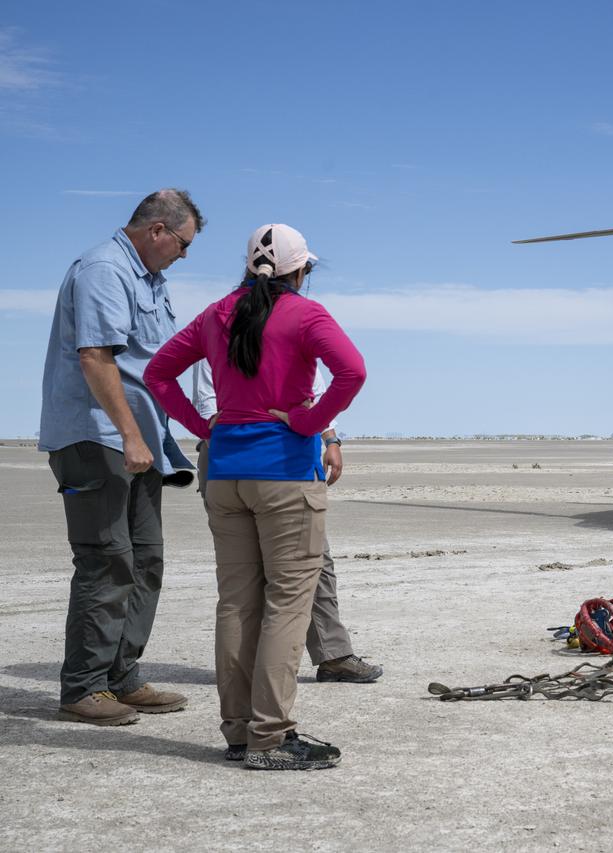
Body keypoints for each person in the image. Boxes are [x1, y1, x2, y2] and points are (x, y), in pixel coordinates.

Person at [145, 223, 366, 771]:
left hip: (225, 474)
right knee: (287, 606)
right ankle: (270, 738)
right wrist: (310, 424)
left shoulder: (217, 313)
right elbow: (352, 371)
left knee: (236, 603)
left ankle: (240, 732)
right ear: (300, 271)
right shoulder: (305, 314)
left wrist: (204, 424)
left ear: (248, 267)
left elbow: (158, 373)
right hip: (284, 474)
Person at [39, 189, 204, 726]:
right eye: (182, 244)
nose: (183, 256)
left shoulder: (150, 280)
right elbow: (95, 356)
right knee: (105, 559)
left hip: (141, 444)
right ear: (158, 230)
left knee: (146, 560)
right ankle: (83, 686)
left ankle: (120, 676)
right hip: (98, 440)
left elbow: (152, 364)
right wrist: (130, 434)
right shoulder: (104, 269)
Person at [191, 359, 382, 683]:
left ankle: (332, 654)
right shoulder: (218, 332)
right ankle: (245, 673)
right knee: (246, 574)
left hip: (285, 458)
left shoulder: (295, 333)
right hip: (239, 461)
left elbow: (317, 396)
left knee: (314, 561)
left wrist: (331, 440)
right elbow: (206, 405)